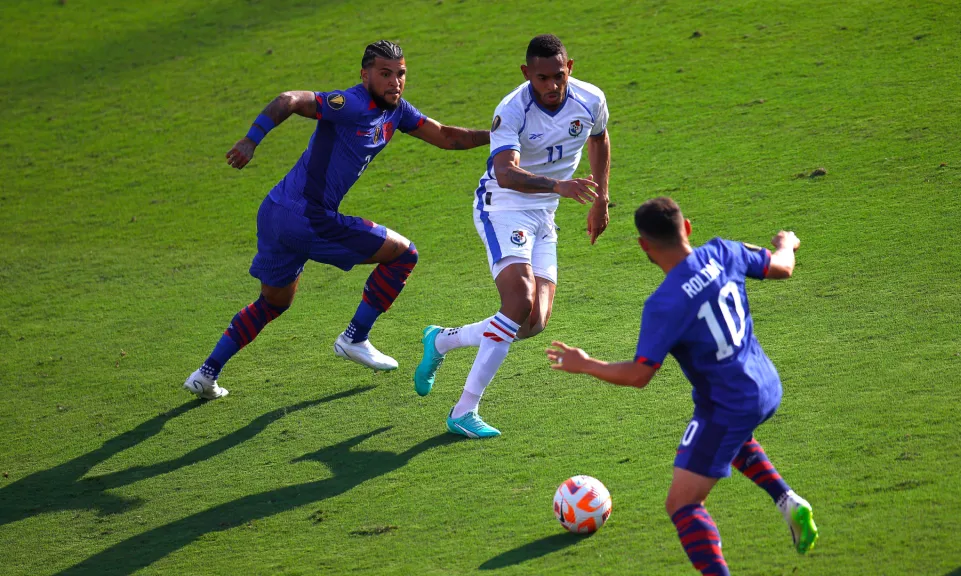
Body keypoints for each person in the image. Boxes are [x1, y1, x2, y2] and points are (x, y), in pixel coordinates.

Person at [183, 40, 489, 400]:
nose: (395, 82)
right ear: (365, 75)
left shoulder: (397, 111)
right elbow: (288, 100)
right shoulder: (352, 103)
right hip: (307, 218)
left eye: (401, 74)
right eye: (385, 74)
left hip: (275, 210)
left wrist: (498, 136)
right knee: (404, 255)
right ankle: (355, 337)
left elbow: (447, 137)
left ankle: (206, 374)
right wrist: (251, 140)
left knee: (274, 302)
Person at [545, 197, 818, 575]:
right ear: (687, 227)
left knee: (682, 504)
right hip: (765, 384)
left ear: (644, 245)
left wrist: (586, 364)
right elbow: (783, 267)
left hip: (729, 403)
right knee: (727, 438)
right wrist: (787, 243)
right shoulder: (724, 251)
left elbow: (640, 375)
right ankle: (787, 501)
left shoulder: (665, 304)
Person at [412, 34, 611, 438]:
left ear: (569, 66)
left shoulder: (591, 100)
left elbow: (599, 139)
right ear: (527, 74)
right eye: (542, 78)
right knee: (517, 300)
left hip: (545, 212)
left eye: (558, 75)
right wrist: (560, 186)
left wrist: (601, 199)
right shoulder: (512, 109)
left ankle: (443, 341)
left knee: (532, 322)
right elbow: (506, 173)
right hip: (502, 206)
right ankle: (464, 410)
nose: (552, 85)